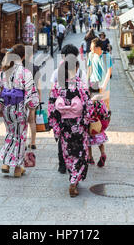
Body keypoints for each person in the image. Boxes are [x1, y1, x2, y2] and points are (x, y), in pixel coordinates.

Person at [0, 44, 39, 177]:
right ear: (22, 56)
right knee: (20, 137)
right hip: (20, 108)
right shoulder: (25, 72)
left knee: (10, 134)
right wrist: (32, 109)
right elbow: (30, 93)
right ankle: (17, 168)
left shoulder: (4, 71)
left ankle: (6, 163)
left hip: (7, 109)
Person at [48, 57, 95, 197]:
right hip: (79, 126)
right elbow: (88, 105)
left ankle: (73, 178)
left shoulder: (57, 86)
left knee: (68, 153)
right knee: (81, 153)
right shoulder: (80, 85)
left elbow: (51, 108)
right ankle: (74, 180)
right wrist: (86, 121)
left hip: (64, 126)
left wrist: (56, 128)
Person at [50, 44, 88, 174]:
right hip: (77, 119)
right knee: (78, 143)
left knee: (63, 141)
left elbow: (52, 96)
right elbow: (86, 98)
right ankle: (75, 169)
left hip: (62, 117)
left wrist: (53, 118)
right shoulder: (81, 74)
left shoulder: (57, 73)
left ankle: (63, 164)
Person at [87, 38, 113, 109]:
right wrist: (87, 82)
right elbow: (89, 69)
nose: (90, 48)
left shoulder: (106, 56)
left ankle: (106, 119)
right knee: (93, 107)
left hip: (104, 86)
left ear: (98, 48)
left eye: (92, 47)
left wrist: (104, 86)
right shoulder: (91, 55)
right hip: (94, 85)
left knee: (105, 106)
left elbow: (109, 72)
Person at [87, 96, 110, 167]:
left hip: (91, 126)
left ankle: (90, 158)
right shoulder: (100, 101)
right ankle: (103, 153)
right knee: (100, 143)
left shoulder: (90, 102)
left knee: (88, 143)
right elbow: (105, 112)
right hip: (98, 125)